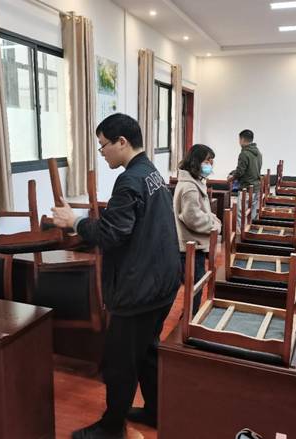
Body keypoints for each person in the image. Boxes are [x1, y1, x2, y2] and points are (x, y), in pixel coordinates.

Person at [51, 113, 180, 439]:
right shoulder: (151, 172)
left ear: (122, 142)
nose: (102, 152)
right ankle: (156, 411)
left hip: (140, 289)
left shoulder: (129, 180)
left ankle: (111, 429)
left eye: (103, 145)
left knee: (120, 362)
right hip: (163, 283)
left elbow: (111, 233)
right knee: (148, 350)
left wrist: (74, 222)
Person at [173, 144, 221, 314]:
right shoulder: (190, 187)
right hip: (190, 247)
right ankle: (188, 320)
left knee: (195, 287)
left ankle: (188, 318)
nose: (210, 165)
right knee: (195, 288)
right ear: (196, 161)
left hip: (193, 245)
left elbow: (202, 212)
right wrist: (215, 225)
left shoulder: (194, 182)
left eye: (211, 161)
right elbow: (193, 218)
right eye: (207, 161)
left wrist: (212, 219)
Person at [227, 129, 263, 228]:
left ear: (242, 139)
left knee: (240, 214)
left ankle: (240, 234)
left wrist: (231, 178)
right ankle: (250, 232)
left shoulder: (244, 153)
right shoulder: (258, 153)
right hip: (256, 187)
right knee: (251, 214)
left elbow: (240, 172)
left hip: (246, 188)